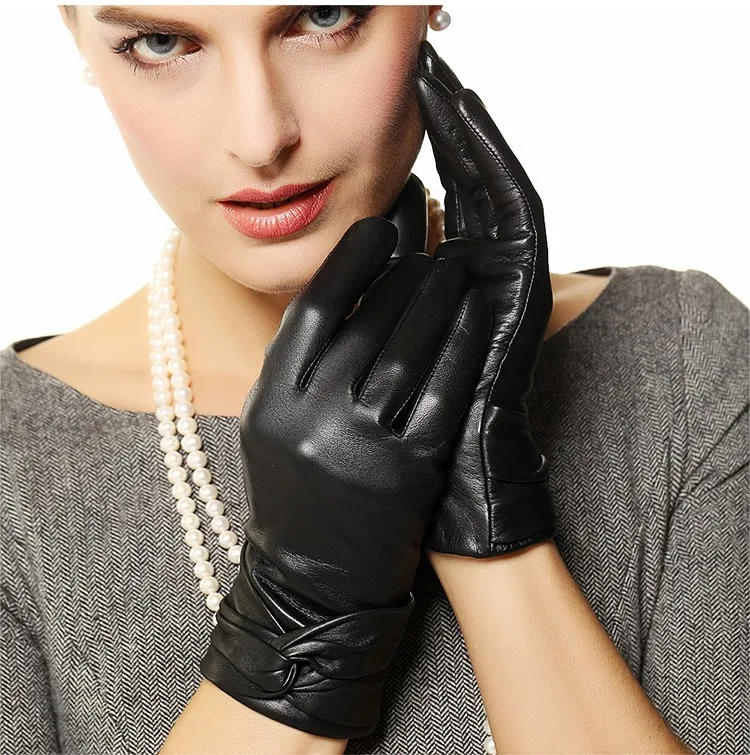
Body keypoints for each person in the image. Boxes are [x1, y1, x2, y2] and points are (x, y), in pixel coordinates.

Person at [1, 5, 746, 755]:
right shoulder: (16, 465)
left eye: (324, 16)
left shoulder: (680, 363)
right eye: (161, 43)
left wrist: (492, 533)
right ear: (75, 29)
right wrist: (295, 623)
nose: (259, 138)